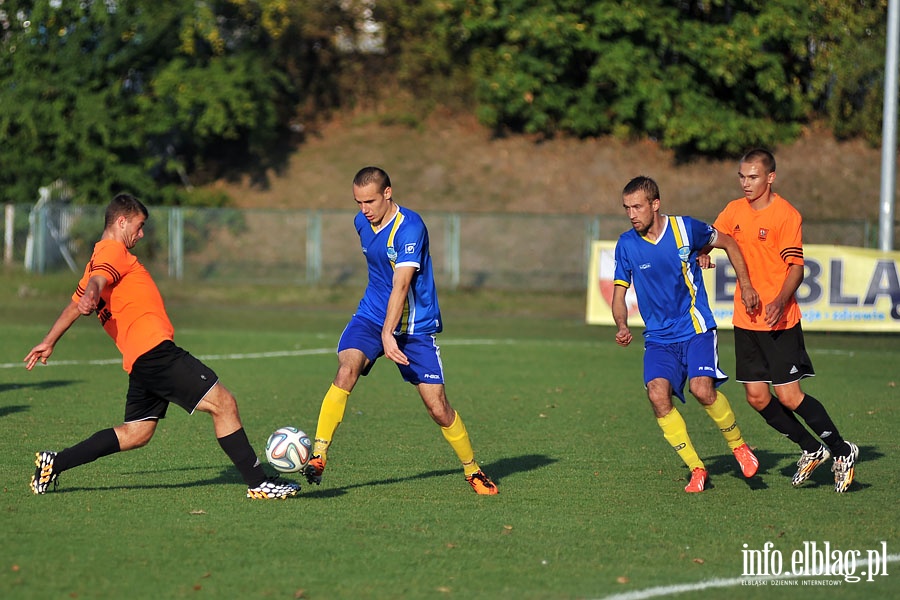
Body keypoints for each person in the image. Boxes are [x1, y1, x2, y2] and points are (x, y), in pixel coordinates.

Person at [24, 194, 299, 500]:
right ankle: (258, 483)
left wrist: (49, 341)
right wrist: (92, 292)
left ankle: (55, 462)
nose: (141, 234)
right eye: (139, 226)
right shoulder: (111, 252)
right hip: (155, 353)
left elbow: (76, 304)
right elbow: (96, 283)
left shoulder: (95, 260)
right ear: (121, 221)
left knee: (137, 433)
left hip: (141, 360)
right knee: (224, 404)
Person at [301, 166, 498, 495]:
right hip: (371, 316)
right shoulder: (361, 222)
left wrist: (389, 334)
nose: (364, 209)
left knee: (438, 407)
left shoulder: (410, 228)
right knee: (347, 368)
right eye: (357, 202)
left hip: (415, 327)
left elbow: (402, 284)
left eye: (370, 201)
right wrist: (381, 329)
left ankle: (472, 469)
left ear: (388, 193)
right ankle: (319, 455)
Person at [711, 148, 859, 493]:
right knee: (757, 398)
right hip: (745, 320)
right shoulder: (733, 210)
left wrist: (779, 300)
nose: (746, 183)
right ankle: (810, 449)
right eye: (742, 177)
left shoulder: (786, 215)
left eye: (753, 177)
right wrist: (704, 253)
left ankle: (841, 450)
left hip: (779, 320)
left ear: (770, 177)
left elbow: (796, 268)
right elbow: (717, 237)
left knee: (790, 396)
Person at [612, 176, 761, 493]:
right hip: (658, 338)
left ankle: (739, 447)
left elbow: (729, 242)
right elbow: (618, 293)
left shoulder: (685, 229)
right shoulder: (626, 244)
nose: (631, 214)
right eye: (626, 208)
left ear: (655, 204)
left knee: (702, 390)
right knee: (656, 394)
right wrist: (622, 325)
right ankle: (697, 468)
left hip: (695, 327)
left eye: (637, 206)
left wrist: (745, 284)